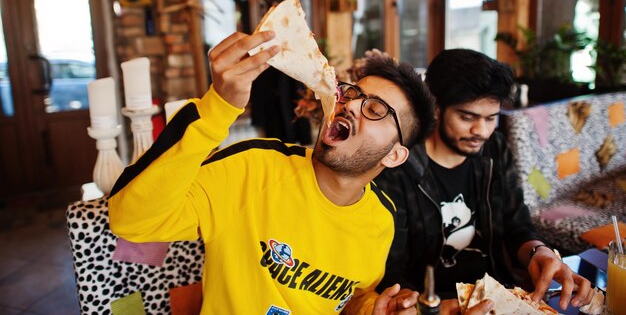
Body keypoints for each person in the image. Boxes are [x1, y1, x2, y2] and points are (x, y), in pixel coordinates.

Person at [108, 30, 437, 314]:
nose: (349, 105)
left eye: (376, 109)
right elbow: (131, 220)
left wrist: (369, 308)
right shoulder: (254, 167)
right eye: (352, 93)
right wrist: (217, 108)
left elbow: (348, 296)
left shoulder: (381, 219)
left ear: (395, 155)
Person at [371, 49, 594, 313]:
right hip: (433, 305)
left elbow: (516, 224)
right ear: (436, 107)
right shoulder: (399, 167)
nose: (482, 131)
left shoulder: (494, 150)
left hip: (499, 295)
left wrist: (539, 252)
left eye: (491, 118)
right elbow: (390, 273)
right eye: (467, 117)